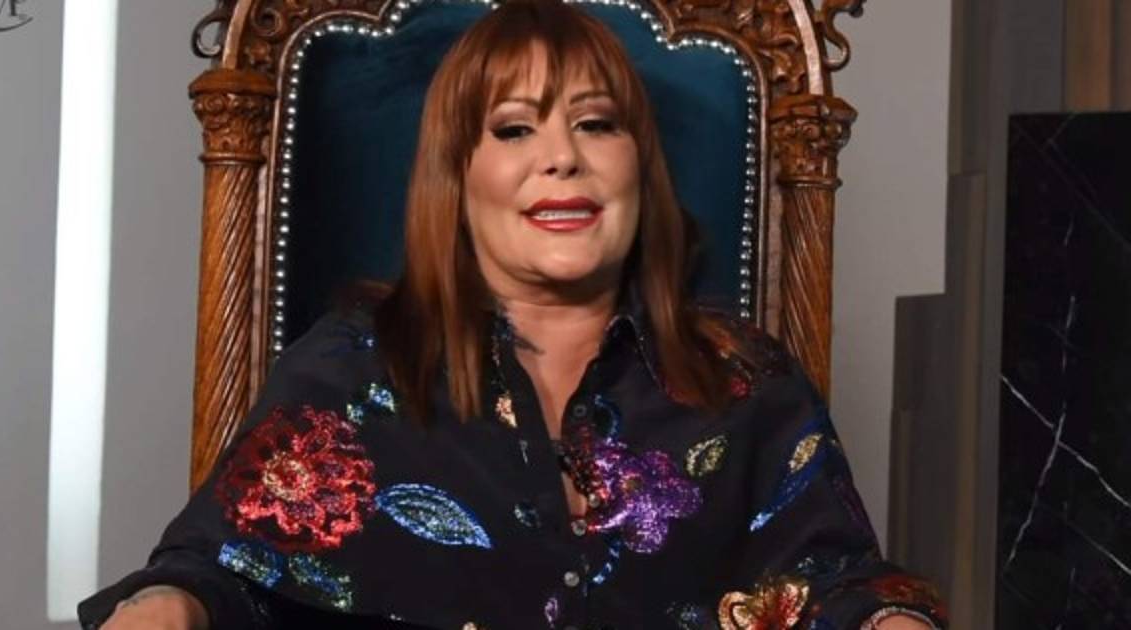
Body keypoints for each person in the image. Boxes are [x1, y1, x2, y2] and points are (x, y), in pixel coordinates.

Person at [80, 0, 947, 628]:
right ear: (455, 176)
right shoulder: (352, 366)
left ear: (640, 168)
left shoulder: (747, 381)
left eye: (597, 124)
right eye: (513, 129)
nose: (562, 157)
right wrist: (166, 606)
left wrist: (888, 620)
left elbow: (835, 583)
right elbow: (221, 573)